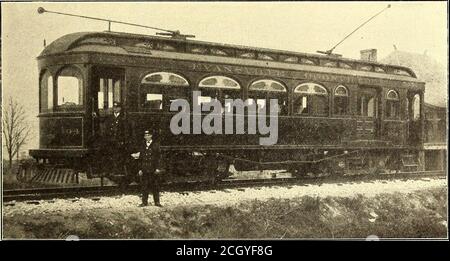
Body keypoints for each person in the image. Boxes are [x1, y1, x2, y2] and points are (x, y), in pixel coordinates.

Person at [135, 130, 162, 207]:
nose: (146, 137)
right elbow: (141, 158)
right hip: (145, 168)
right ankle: (144, 202)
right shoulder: (142, 145)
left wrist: (158, 168)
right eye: (145, 135)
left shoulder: (156, 145)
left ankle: (157, 202)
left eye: (148, 135)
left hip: (153, 168)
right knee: (144, 186)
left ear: (151, 136)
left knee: (155, 186)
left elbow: (159, 158)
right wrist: (140, 169)